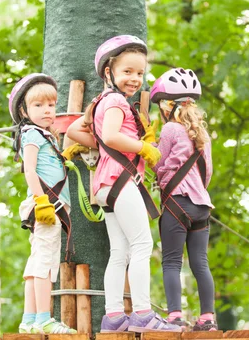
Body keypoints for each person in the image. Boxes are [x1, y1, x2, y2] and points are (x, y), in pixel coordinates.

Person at [66, 35, 180, 333]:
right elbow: (114, 136)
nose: (135, 78)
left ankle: (114, 316)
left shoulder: (101, 101)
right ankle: (142, 313)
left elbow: (78, 130)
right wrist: (142, 148)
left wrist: (100, 143)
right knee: (142, 244)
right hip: (120, 179)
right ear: (108, 72)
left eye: (140, 73)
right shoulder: (116, 101)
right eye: (127, 71)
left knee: (120, 252)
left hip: (106, 184)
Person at [149, 67, 217, 331]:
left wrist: (148, 150)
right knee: (200, 262)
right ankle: (207, 318)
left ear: (168, 106)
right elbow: (206, 172)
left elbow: (157, 162)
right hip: (202, 206)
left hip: (178, 203)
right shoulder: (202, 134)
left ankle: (175, 316)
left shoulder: (170, 130)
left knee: (172, 261)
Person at [9, 73, 77, 335]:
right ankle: (43, 318)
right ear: (25, 111)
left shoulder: (43, 135)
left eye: (51, 104)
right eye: (38, 105)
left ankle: (29, 319)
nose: (47, 110)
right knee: (45, 264)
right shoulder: (32, 135)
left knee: (36, 262)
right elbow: (29, 170)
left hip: (48, 204)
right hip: (46, 205)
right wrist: (42, 202)